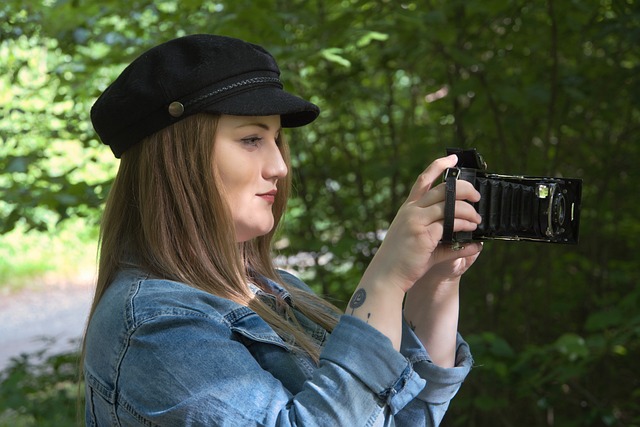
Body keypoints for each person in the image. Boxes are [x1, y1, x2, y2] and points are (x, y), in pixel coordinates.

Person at [82, 33, 483, 426]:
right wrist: (385, 281)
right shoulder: (154, 325)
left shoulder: (275, 289)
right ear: (176, 160)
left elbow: (404, 415)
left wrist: (436, 283)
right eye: (252, 139)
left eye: (275, 139)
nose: (279, 167)